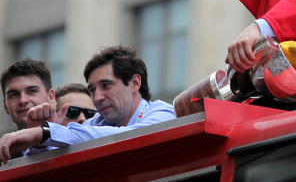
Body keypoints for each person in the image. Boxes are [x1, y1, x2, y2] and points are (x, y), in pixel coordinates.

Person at [0, 46, 176, 164]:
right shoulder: (96, 123)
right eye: (92, 90)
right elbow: (55, 165)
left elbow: (130, 137)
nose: (97, 98)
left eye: (106, 85)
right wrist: (40, 143)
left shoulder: (164, 114)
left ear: (135, 83)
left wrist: (44, 132)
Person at [1, 59, 55, 131]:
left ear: (51, 97)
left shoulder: (68, 137)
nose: (22, 100)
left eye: (31, 91)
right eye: (14, 95)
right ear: (5, 106)